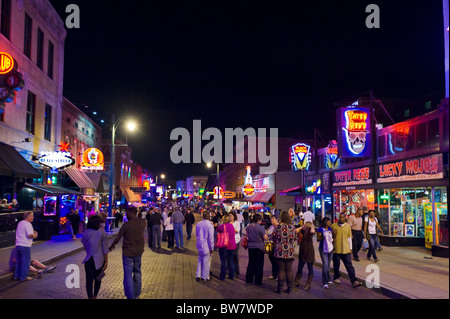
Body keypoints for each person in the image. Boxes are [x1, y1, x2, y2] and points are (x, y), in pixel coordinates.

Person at [109, 207, 146, 299]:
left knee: (128, 275)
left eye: (126, 213)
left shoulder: (127, 225)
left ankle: (130, 296)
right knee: (137, 272)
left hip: (128, 252)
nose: (125, 215)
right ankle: (137, 294)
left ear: (130, 213)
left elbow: (118, 237)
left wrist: (112, 245)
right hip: (138, 252)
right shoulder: (142, 223)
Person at [331, 213, 362, 288]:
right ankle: (336, 277)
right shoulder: (333, 226)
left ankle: (354, 280)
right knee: (336, 265)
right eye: (340, 217)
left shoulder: (347, 226)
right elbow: (330, 237)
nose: (341, 219)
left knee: (349, 266)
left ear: (345, 219)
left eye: (342, 217)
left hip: (346, 249)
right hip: (336, 249)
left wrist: (350, 248)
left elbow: (349, 238)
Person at [81, 215, 109, 299]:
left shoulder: (86, 233)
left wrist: (90, 251)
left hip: (89, 259)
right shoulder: (102, 233)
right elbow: (105, 248)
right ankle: (95, 296)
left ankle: (90, 297)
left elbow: (84, 244)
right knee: (98, 279)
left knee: (89, 281)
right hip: (100, 260)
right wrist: (106, 261)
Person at [272, 211, 295, 294]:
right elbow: (294, 237)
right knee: (289, 270)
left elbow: (273, 237)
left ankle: (280, 288)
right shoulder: (292, 227)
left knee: (281, 270)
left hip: (280, 250)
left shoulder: (278, 227)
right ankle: (289, 288)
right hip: (290, 251)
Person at [245, 214, 268, 286]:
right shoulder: (261, 228)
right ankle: (258, 281)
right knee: (259, 265)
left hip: (250, 247)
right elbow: (265, 238)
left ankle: (249, 279)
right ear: (258, 220)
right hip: (259, 247)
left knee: (251, 263)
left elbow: (247, 235)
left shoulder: (249, 227)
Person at [14, 212, 38, 281]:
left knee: (19, 261)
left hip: (18, 245)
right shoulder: (28, 224)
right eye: (32, 216)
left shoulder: (20, 223)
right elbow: (29, 235)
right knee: (25, 262)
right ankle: (24, 277)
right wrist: (35, 235)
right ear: (28, 217)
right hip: (25, 245)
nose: (33, 217)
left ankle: (16, 276)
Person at [295, 221, 315, 290]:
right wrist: (301, 227)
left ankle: (308, 284)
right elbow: (295, 230)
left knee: (310, 268)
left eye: (306, 226)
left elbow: (312, 231)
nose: (305, 227)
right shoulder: (302, 231)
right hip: (302, 251)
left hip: (309, 252)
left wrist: (311, 226)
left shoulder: (310, 232)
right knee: (300, 267)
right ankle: (296, 281)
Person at [216, 214, 237, 280]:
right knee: (231, 261)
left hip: (224, 245)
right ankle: (231, 275)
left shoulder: (222, 226)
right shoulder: (231, 226)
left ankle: (222, 276)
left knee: (223, 261)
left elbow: (217, 229)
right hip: (232, 246)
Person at [195, 212, 215, 281]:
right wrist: (212, 247)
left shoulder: (198, 224)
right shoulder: (209, 225)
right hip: (206, 245)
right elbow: (211, 238)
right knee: (206, 261)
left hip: (199, 244)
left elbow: (197, 234)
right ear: (209, 217)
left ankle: (198, 275)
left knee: (200, 259)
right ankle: (205, 276)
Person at [317, 217, 334, 288]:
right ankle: (324, 281)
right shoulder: (320, 229)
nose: (330, 223)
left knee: (328, 264)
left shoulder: (330, 229)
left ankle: (328, 278)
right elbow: (318, 239)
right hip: (323, 248)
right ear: (326, 222)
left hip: (330, 248)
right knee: (325, 264)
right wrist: (323, 238)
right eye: (329, 221)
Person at [266, 215, 279, 281]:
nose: (272, 220)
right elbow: (268, 234)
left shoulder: (278, 227)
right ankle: (273, 274)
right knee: (271, 259)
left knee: (276, 260)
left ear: (277, 220)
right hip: (270, 245)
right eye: (271, 219)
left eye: (273, 219)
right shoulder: (270, 227)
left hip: (276, 246)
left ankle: (277, 275)